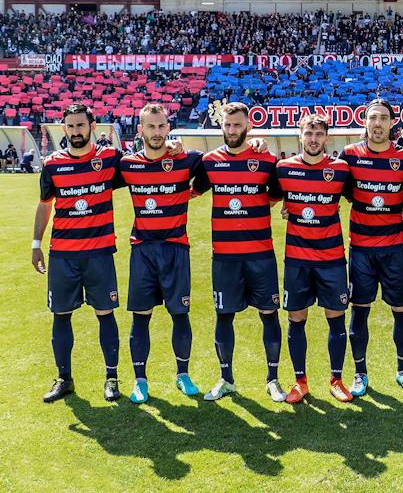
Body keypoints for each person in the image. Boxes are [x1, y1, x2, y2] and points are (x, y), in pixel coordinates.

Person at [192, 102, 287, 403]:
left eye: (237, 125)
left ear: (248, 126)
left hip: (260, 255)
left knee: (269, 314)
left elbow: (274, 196)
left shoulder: (266, 160)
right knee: (224, 316)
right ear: (221, 126)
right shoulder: (209, 162)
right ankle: (226, 378)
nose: (232, 130)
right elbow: (190, 189)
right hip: (225, 257)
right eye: (227, 125)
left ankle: (273, 379)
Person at [32, 103, 123, 402]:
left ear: (92, 126)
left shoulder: (110, 159)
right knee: (61, 315)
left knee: (105, 314)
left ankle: (112, 378)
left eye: (80, 126)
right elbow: (45, 204)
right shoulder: (52, 164)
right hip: (63, 255)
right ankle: (64, 379)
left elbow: (145, 164)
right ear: (64, 129)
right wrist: (36, 244)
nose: (75, 132)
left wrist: (172, 147)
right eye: (70, 127)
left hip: (99, 254)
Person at [116, 103, 205, 403]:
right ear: (140, 129)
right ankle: (140, 380)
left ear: (168, 128)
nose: (156, 132)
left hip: (176, 249)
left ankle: (183, 375)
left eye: (161, 126)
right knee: (141, 317)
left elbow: (209, 172)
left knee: (180, 314)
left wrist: (191, 192)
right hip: (142, 250)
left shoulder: (187, 160)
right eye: (150, 127)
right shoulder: (127, 164)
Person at [339, 99, 403, 397]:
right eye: (373, 117)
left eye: (383, 118)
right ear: (365, 121)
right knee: (359, 311)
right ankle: (360, 373)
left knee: (402, 310)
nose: (378, 123)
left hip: (395, 248)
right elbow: (334, 187)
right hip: (360, 249)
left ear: (392, 123)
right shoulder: (350, 155)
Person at [276, 114, 354, 403]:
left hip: (332, 258)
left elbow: (359, 198)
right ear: (299, 136)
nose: (313, 139)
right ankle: (300, 381)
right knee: (297, 319)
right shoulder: (283, 169)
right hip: (297, 260)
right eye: (308, 133)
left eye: (319, 134)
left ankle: (336, 379)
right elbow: (271, 197)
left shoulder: (341, 170)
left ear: (327, 138)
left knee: (336, 319)